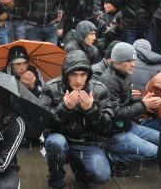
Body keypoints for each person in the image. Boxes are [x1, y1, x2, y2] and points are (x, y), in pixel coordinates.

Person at [42, 50, 112, 188]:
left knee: (102, 175)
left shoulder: (99, 90)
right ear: (66, 74)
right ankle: (56, 183)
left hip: (87, 144)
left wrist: (91, 111)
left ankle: (80, 170)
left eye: (83, 75)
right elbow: (43, 123)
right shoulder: (50, 88)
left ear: (88, 75)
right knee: (56, 143)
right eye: (73, 75)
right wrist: (65, 108)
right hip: (61, 141)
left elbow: (106, 128)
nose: (78, 80)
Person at [99, 43, 161, 173]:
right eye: (128, 61)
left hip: (127, 126)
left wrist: (141, 100)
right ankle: (112, 157)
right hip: (114, 133)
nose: (133, 64)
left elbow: (124, 102)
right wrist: (143, 105)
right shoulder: (109, 80)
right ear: (117, 61)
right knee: (156, 153)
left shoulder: (123, 74)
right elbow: (115, 113)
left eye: (133, 60)